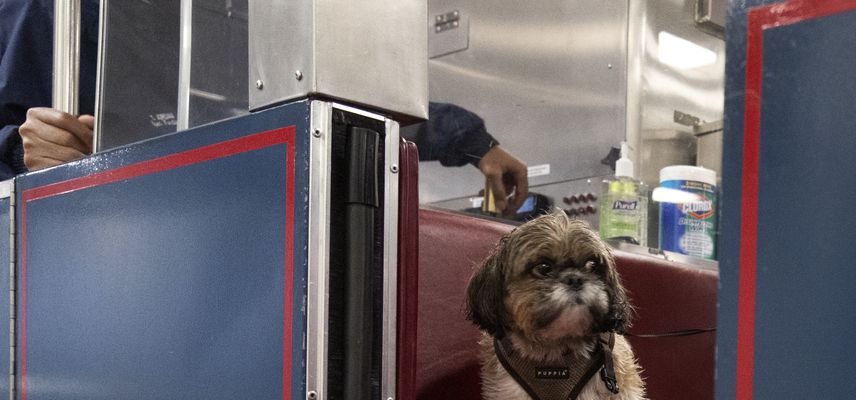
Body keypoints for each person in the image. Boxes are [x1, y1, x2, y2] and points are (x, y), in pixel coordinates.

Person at [0, 0, 528, 210]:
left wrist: (473, 141)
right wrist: (20, 148)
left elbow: (321, 103)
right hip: (81, 243)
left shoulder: (226, 14)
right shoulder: (43, 10)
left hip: (228, 234)